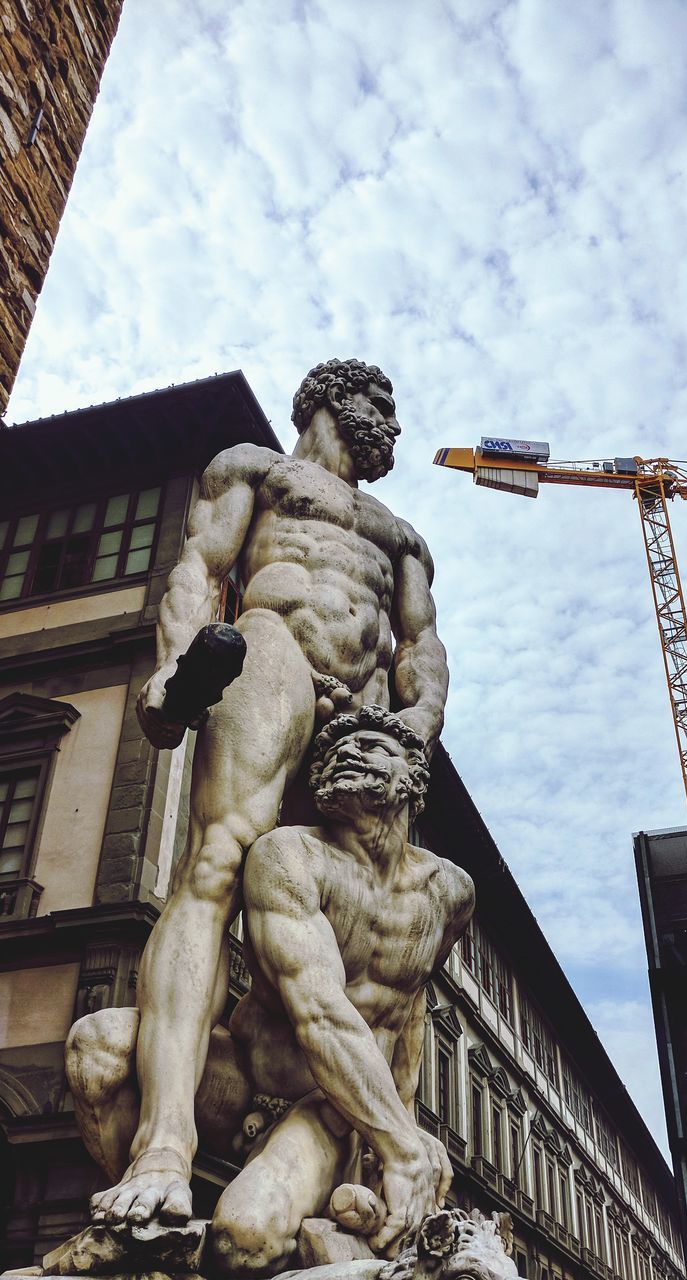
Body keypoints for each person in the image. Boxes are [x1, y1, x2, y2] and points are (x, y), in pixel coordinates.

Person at [100, 359, 450, 1226]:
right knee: (217, 865)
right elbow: (198, 568)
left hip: (364, 717)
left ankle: (351, 1169)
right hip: (272, 656)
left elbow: (421, 647)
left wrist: (422, 722)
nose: (394, 427)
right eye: (383, 403)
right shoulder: (257, 469)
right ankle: (167, 1142)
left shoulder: (402, 537)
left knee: (362, 934)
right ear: (329, 400)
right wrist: (175, 669)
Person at [68, 707, 473, 1273]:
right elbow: (320, 1012)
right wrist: (404, 1147)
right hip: (242, 1081)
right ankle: (149, 1232)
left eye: (374, 744)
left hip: (331, 1106)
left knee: (246, 1237)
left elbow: (411, 1010)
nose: (350, 751)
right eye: (337, 748)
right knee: (100, 1044)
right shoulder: (288, 855)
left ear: (415, 777)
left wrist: (401, 1132)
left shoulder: (450, 891)